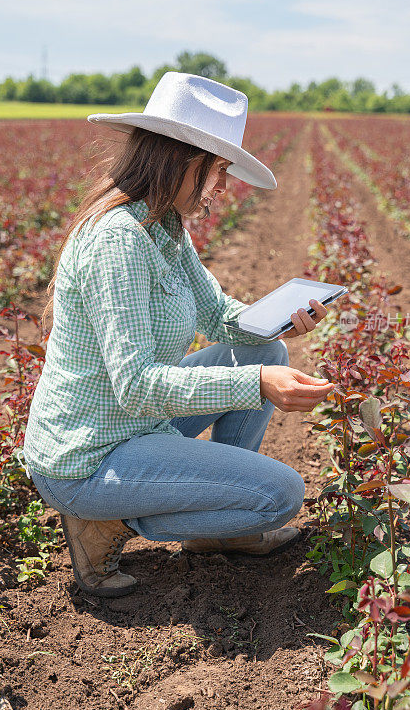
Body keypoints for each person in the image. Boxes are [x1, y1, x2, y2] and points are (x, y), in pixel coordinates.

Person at [22, 72, 335, 598]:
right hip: (89, 453)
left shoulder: (165, 227)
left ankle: (221, 531)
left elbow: (217, 314)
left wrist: (278, 320)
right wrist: (257, 383)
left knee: (264, 346)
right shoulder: (118, 241)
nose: (223, 188)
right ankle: (104, 520)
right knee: (281, 494)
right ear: (180, 159)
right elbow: (137, 387)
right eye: (219, 171)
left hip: (135, 424)